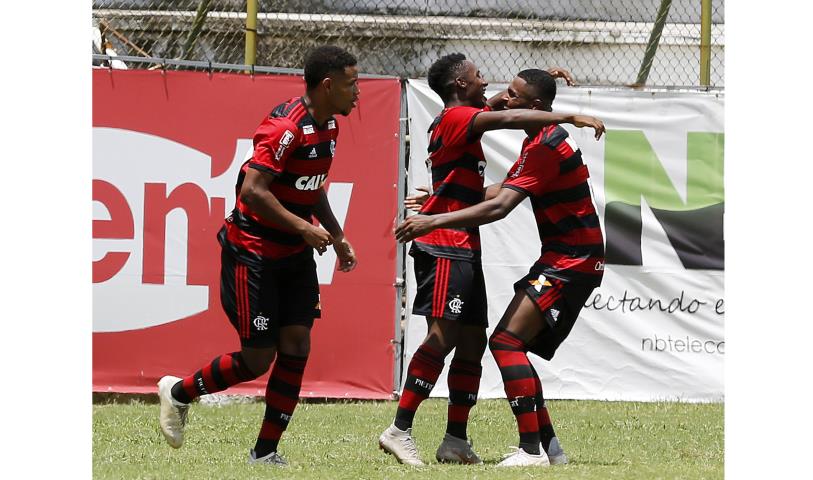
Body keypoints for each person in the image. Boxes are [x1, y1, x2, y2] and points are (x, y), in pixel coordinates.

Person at [378, 53, 604, 466]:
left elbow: (500, 197)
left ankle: (467, 441)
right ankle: (401, 429)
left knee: (482, 342)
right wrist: (568, 114)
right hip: (449, 244)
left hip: (559, 258)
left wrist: (440, 205)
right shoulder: (465, 118)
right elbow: (506, 118)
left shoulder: (540, 143)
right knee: (466, 340)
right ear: (461, 86)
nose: (493, 88)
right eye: (479, 76)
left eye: (511, 93)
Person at [157, 45, 360, 466]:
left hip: (294, 254)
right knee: (257, 359)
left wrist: (337, 235)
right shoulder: (285, 126)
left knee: (298, 344)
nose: (357, 92)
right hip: (254, 254)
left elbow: (312, 187)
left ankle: (265, 452)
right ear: (327, 85)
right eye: (350, 83)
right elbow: (253, 191)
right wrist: (305, 228)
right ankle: (178, 393)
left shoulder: (329, 128)